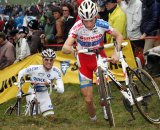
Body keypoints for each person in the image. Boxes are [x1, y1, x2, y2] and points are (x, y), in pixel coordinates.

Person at [62, 0, 123, 121]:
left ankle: (106, 103)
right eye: (86, 20)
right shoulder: (77, 27)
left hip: (99, 57)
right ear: (81, 19)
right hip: (84, 62)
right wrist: (71, 49)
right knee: (88, 99)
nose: (89, 24)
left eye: (91, 20)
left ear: (96, 16)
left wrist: (116, 51)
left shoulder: (102, 23)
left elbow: (119, 35)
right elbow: (65, 47)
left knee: (103, 86)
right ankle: (93, 118)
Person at [17, 48, 64, 117]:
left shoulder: (56, 71)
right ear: (42, 59)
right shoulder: (34, 68)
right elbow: (21, 73)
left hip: (44, 94)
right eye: (46, 59)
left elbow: (61, 90)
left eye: (51, 60)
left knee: (50, 117)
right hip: (32, 93)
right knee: (34, 118)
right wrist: (19, 89)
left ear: (54, 60)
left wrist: (52, 85)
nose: (49, 62)